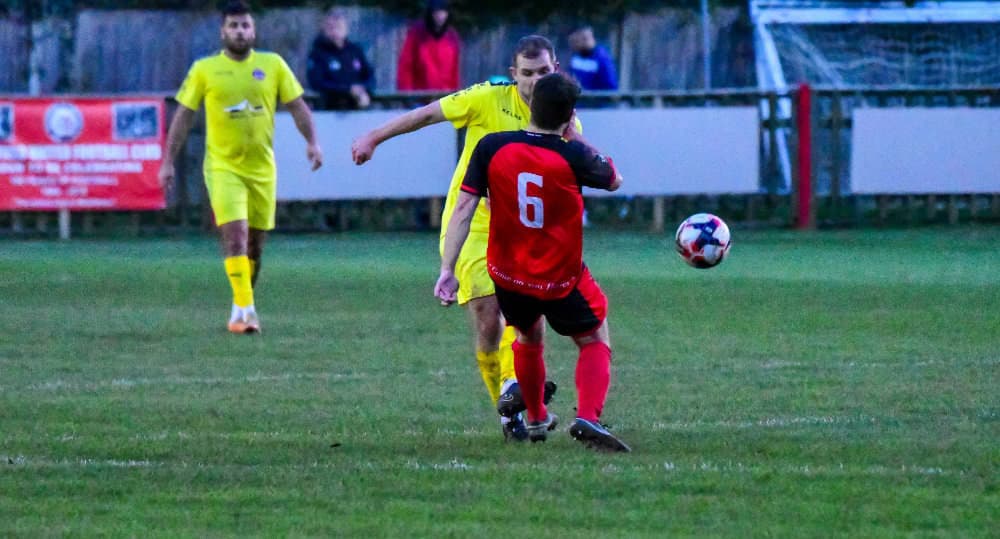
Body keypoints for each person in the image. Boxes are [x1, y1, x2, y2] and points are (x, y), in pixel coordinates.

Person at [352, 35, 566, 441]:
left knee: (521, 317)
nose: (536, 81)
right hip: (471, 226)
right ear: (513, 74)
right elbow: (427, 114)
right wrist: (374, 136)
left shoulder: (564, 119)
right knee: (488, 316)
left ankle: (514, 393)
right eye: (528, 73)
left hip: (522, 232)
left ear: (555, 69)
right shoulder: (486, 99)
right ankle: (509, 401)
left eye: (543, 72)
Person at [434, 72, 629, 452]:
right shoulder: (573, 155)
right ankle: (588, 416)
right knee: (594, 338)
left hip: (509, 276)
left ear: (532, 105)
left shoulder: (492, 147)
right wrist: (575, 137)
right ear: (569, 115)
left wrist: (447, 268)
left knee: (527, 336)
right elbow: (615, 179)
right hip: (559, 277)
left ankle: (537, 416)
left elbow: (464, 207)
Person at [158, 0, 323, 334]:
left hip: (262, 169)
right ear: (223, 31)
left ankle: (240, 305)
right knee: (235, 235)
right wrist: (168, 161)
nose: (239, 31)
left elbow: (297, 106)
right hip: (223, 167)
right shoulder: (205, 69)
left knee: (255, 247)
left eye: (245, 25)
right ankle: (246, 313)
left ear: (253, 30)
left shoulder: (272, 65)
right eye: (233, 26)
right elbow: (184, 115)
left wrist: (312, 142)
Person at [306, 9, 375, 110]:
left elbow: (370, 76)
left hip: (357, 108)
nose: (335, 31)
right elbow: (317, 83)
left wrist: (363, 89)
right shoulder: (318, 54)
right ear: (324, 29)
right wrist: (347, 90)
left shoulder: (355, 51)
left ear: (346, 28)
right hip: (328, 109)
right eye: (331, 27)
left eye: (339, 27)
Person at [396, 0, 461, 92]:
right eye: (437, 11)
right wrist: (407, 95)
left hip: (444, 95)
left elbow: (454, 73)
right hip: (419, 96)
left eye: (444, 11)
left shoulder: (452, 37)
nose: (440, 15)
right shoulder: (416, 34)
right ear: (431, 12)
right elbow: (406, 67)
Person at [567, 25, 618, 91]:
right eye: (575, 41)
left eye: (585, 39)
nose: (580, 42)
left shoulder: (602, 58)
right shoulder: (575, 57)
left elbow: (610, 86)